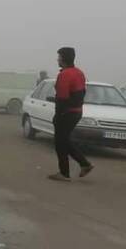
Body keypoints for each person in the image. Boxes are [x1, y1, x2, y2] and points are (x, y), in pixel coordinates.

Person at [49, 47, 93, 181]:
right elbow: (82, 93)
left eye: (59, 57)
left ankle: (65, 173)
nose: (57, 59)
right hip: (77, 112)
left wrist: (57, 116)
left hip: (66, 113)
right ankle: (84, 164)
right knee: (64, 141)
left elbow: (62, 98)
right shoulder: (79, 73)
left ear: (63, 59)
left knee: (60, 143)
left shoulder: (65, 75)